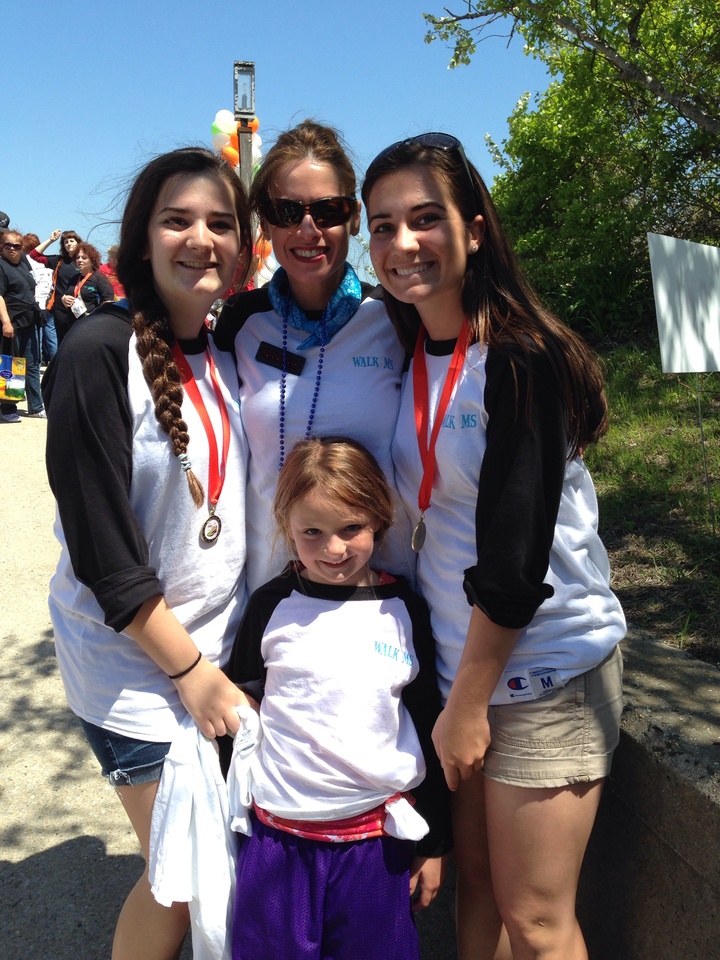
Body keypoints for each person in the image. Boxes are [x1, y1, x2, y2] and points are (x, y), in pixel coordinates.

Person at [362, 134, 626, 960]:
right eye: (383, 226)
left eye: (425, 219)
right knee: (476, 885)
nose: (403, 243)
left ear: (474, 230)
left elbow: (515, 564)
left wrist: (468, 707)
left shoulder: (519, 358)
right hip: (459, 665)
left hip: (543, 668)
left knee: (537, 921)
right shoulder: (411, 346)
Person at [43, 146, 253, 960]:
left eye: (220, 223)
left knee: (212, 862)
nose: (201, 238)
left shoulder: (223, 346)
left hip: (216, 655)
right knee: (183, 877)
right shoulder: (97, 351)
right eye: (178, 220)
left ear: (243, 246)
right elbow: (105, 555)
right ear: (141, 238)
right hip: (138, 669)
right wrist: (191, 673)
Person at [226, 436, 451, 960]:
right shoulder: (270, 606)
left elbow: (428, 724)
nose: (334, 549)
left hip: (376, 845)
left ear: (379, 521)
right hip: (277, 842)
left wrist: (434, 843)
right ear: (287, 527)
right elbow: (240, 713)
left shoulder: (404, 610)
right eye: (313, 532)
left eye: (351, 528)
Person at [214, 120, 414, 593]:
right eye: (286, 211)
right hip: (274, 592)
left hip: (381, 594)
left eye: (327, 210)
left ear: (355, 218)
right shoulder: (240, 322)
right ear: (265, 222)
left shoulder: (397, 318)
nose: (308, 229)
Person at [0, 229, 45, 421]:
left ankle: (36, 406)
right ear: (2, 247)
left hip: (29, 321)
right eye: (7, 245)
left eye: (16, 246)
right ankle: (8, 407)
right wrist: (6, 322)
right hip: (12, 323)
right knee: (10, 365)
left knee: (32, 364)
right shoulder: (1, 266)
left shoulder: (23, 263)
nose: (12, 249)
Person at [35, 229, 82, 343]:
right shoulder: (59, 261)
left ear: (78, 242)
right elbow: (35, 255)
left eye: (72, 241)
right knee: (63, 341)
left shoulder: (84, 260)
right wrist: (51, 240)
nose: (69, 244)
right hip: (61, 310)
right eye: (66, 242)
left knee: (80, 341)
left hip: (81, 307)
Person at [22, 233, 56, 362]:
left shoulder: (25, 261)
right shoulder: (45, 261)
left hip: (35, 304)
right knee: (52, 336)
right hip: (49, 303)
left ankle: (38, 362)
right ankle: (55, 363)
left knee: (37, 337)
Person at [61, 241, 114, 318]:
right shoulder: (74, 278)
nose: (80, 260)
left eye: (84, 258)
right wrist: (64, 299)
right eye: (77, 257)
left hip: (91, 321)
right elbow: (66, 294)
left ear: (92, 261)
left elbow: (109, 301)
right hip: (73, 322)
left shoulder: (100, 279)